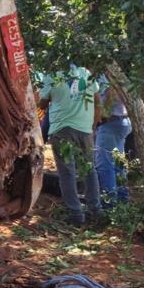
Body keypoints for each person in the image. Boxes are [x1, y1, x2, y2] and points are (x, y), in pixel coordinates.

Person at [39, 65, 101, 226]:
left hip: (61, 129)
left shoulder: (52, 75)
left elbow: (42, 104)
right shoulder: (85, 73)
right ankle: (95, 209)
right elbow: (97, 99)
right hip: (84, 128)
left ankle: (76, 214)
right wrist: (94, 125)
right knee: (89, 169)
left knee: (67, 172)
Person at [95, 77, 132, 206]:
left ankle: (109, 205)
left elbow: (112, 92)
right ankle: (122, 200)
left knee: (104, 164)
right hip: (122, 120)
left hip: (111, 121)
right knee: (118, 163)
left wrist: (102, 116)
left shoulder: (107, 73)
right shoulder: (121, 70)